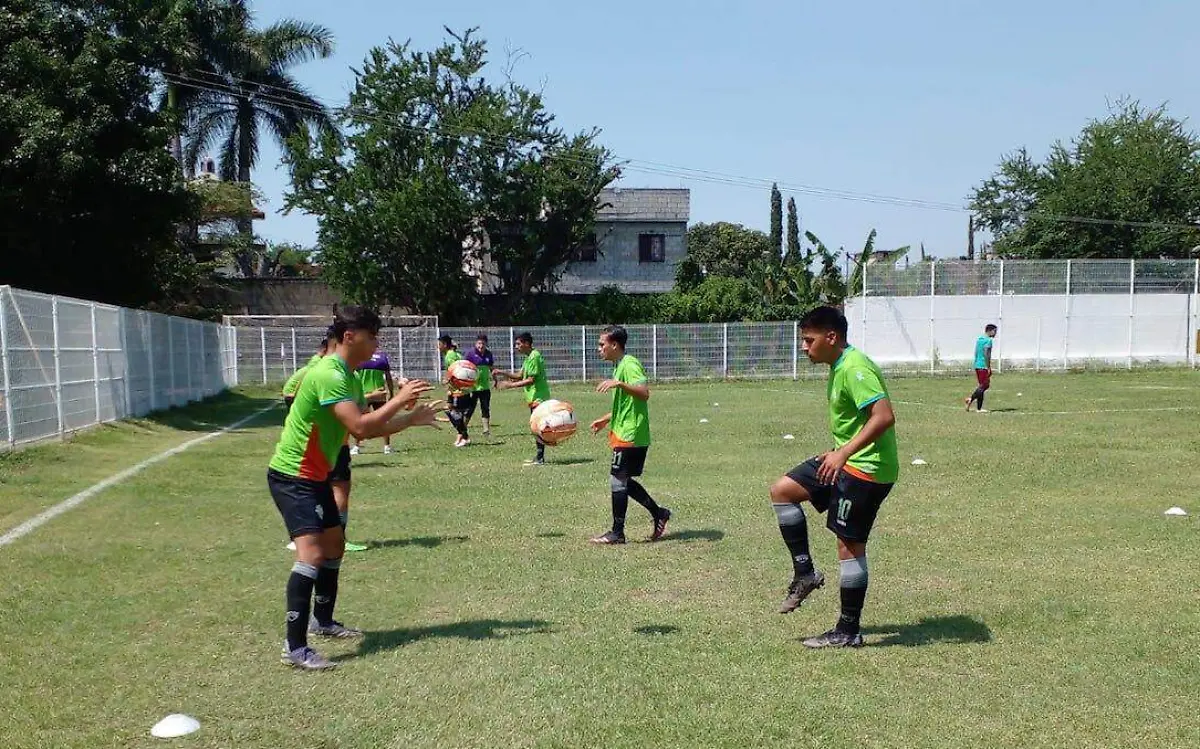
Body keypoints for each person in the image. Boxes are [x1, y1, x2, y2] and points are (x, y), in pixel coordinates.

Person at [267, 306, 440, 670]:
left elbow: (367, 427)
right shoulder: (329, 374)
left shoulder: (347, 375)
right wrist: (398, 399)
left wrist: (410, 417)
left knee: (334, 546)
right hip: (294, 475)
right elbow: (360, 427)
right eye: (372, 336)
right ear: (350, 336)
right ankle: (294, 647)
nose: (376, 344)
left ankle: (324, 622)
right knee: (312, 554)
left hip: (315, 475)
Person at [767, 305, 899, 649]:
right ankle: (805, 573)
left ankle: (848, 630)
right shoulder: (839, 364)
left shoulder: (855, 368)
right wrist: (838, 452)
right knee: (783, 490)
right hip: (844, 460)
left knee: (849, 546)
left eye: (809, 340)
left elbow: (883, 416)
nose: (804, 347)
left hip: (866, 469)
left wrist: (844, 452)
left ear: (832, 337)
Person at [589, 325, 671, 545]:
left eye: (601, 344)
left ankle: (617, 532)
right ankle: (659, 513)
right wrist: (606, 419)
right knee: (622, 479)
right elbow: (627, 404)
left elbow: (644, 394)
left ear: (614, 345)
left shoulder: (630, 364)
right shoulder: (619, 366)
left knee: (617, 479)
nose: (599, 349)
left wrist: (620, 383)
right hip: (624, 430)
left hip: (631, 432)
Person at [495, 332, 551, 466]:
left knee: (537, 427)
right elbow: (520, 375)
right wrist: (501, 372)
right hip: (533, 399)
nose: (516, 347)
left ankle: (540, 457)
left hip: (539, 398)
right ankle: (539, 457)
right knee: (536, 427)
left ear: (526, 344)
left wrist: (510, 385)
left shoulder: (534, 357)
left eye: (518, 344)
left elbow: (531, 380)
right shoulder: (528, 357)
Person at [351, 346, 396, 455]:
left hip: (364, 394)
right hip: (379, 393)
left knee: (360, 421)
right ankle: (387, 447)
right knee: (384, 420)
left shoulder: (360, 358)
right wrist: (391, 392)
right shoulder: (382, 358)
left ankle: (356, 447)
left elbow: (353, 376)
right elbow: (388, 377)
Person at [439, 334, 475, 448]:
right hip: (461, 388)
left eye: (439, 344)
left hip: (456, 389)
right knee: (451, 410)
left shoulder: (449, 356)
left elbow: (456, 370)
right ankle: (463, 436)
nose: (438, 347)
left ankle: (464, 436)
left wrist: (447, 381)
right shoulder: (457, 354)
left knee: (454, 413)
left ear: (444, 345)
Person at [282, 338, 328, 412]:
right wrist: (295, 394)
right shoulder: (318, 362)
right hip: (292, 392)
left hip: (292, 391)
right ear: (325, 350)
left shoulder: (317, 359)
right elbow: (305, 379)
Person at [465, 334, 496, 435]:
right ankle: (463, 427)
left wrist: (495, 379)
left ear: (486, 344)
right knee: (470, 408)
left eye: (483, 343)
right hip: (473, 387)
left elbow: (492, 368)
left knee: (485, 408)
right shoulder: (470, 354)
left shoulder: (489, 354)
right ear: (476, 343)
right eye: (479, 343)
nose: (481, 346)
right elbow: (464, 367)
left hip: (485, 388)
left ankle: (486, 430)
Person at [965, 324, 997, 412]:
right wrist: (988, 367)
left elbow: (976, 352)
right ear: (990, 331)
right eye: (995, 331)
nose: (995, 333)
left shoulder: (979, 340)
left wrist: (976, 362)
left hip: (977, 365)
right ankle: (970, 399)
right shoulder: (988, 340)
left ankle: (979, 409)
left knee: (981, 386)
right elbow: (987, 354)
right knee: (985, 385)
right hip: (983, 366)